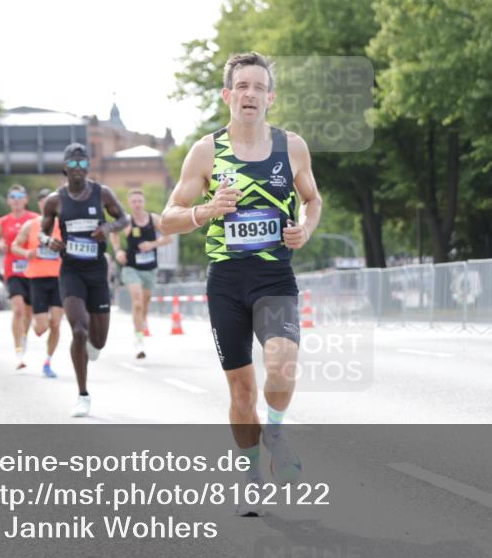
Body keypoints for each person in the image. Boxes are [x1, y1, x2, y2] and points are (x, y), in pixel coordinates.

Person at [160, 52, 322, 515]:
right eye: (243, 86)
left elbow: (312, 200)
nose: (251, 94)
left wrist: (305, 229)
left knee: (282, 365)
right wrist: (207, 210)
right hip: (227, 283)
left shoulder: (291, 147)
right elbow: (168, 218)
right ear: (227, 95)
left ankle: (276, 431)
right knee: (241, 393)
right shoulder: (206, 151)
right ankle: (251, 476)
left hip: (274, 276)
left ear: (270, 98)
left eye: (259, 87)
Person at [39, 143, 128, 417]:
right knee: (79, 329)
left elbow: (123, 219)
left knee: (98, 342)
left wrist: (108, 227)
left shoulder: (102, 193)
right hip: (71, 271)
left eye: (82, 163)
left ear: (88, 166)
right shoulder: (55, 200)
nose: (78, 168)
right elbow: (42, 233)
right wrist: (49, 241)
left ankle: (92, 345)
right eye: (73, 163)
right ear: (65, 168)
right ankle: (83, 395)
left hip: (97, 271)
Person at [11, 188, 64, 378]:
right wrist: (26, 253)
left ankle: (48, 362)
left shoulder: (63, 224)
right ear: (40, 205)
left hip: (59, 278)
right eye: (44, 201)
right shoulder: (31, 225)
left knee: (56, 323)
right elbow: (14, 246)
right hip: (37, 279)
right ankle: (26, 333)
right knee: (41, 328)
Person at [114, 189, 173, 359]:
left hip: (150, 269)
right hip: (131, 267)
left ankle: (140, 327)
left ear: (144, 202)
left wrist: (152, 244)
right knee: (138, 303)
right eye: (134, 201)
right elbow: (113, 233)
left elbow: (168, 237)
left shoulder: (153, 219)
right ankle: (139, 339)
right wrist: (118, 251)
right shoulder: (126, 221)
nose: (137, 204)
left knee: (145, 304)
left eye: (139, 201)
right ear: (129, 203)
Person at [0, 184, 38, 369]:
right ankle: (18, 350)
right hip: (13, 269)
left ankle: (24, 337)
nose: (16, 200)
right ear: (8, 200)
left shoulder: (34, 219)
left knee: (28, 311)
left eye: (20, 196)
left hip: (32, 269)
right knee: (18, 309)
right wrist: (0, 244)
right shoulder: (3, 221)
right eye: (13, 197)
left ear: (26, 200)